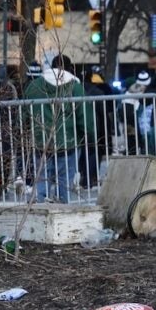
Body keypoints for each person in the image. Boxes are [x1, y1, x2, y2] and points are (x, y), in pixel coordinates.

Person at [23, 55, 91, 202]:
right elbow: (84, 118)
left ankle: (41, 211)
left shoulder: (34, 86)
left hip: (41, 142)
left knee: (42, 180)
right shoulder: (75, 87)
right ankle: (63, 212)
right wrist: (88, 135)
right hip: (68, 141)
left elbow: (23, 115)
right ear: (69, 68)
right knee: (65, 181)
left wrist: (26, 132)